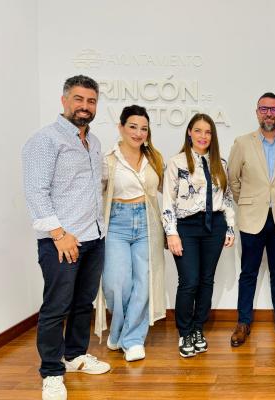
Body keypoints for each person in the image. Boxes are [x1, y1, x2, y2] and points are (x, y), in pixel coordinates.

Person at [22, 75, 110, 400]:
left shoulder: (94, 142)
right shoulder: (45, 140)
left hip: (93, 237)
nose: (85, 106)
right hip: (60, 242)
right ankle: (51, 371)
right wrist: (59, 235)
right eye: (79, 99)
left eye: (91, 101)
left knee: (83, 303)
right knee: (56, 307)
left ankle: (74, 356)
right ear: (64, 101)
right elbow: (36, 191)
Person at [228, 92, 275, 347]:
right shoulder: (241, 143)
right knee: (248, 272)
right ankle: (243, 322)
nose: (269, 113)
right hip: (251, 218)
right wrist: (249, 201)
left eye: (274, 109)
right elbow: (233, 179)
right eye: (264, 109)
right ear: (257, 112)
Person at [93, 105, 166, 362]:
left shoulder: (154, 159)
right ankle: (118, 331)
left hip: (147, 223)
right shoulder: (108, 160)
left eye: (144, 128)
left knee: (144, 282)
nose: (138, 133)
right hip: (117, 223)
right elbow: (96, 195)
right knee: (116, 283)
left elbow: (169, 192)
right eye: (133, 127)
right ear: (121, 127)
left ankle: (133, 339)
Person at [162, 113, 235, 358]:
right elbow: (168, 201)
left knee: (206, 280)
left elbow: (226, 197)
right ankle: (184, 332)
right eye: (198, 131)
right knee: (189, 281)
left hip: (214, 226)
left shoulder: (220, 163)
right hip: (186, 227)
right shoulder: (176, 162)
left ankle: (197, 329)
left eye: (208, 132)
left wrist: (230, 226)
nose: (203, 136)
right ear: (189, 133)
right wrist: (171, 233)